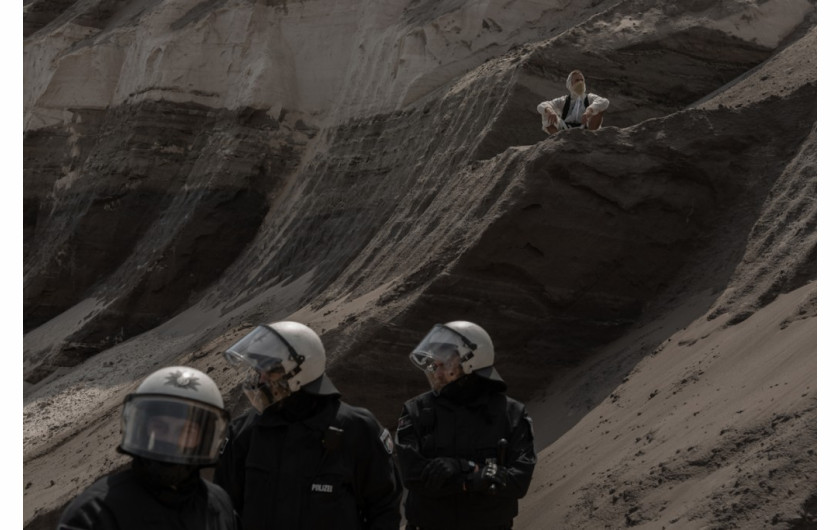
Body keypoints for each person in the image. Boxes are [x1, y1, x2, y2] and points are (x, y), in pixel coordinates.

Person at [213, 320, 402, 530]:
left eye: (270, 371)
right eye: (259, 370)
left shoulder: (357, 429)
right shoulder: (243, 432)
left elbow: (384, 509)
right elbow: (224, 512)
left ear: (299, 373)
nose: (260, 380)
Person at [394, 321, 537, 530]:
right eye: (435, 364)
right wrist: (473, 478)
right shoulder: (415, 410)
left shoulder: (512, 414)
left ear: (470, 362)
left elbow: (518, 481)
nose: (436, 371)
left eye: (444, 363)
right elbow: (413, 475)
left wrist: (462, 468)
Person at [57, 366, 238, 530]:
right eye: (160, 427)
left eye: (186, 430)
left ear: (203, 438)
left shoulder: (218, 504)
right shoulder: (96, 511)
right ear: (142, 430)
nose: (172, 440)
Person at [537, 69, 609, 133]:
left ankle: (591, 136)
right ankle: (557, 138)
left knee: (598, 109)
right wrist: (550, 111)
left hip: (587, 129)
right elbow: (542, 105)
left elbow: (604, 101)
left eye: (582, 80)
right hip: (566, 130)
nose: (580, 82)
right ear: (570, 83)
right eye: (577, 80)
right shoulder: (564, 100)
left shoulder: (589, 97)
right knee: (546, 112)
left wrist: (589, 110)